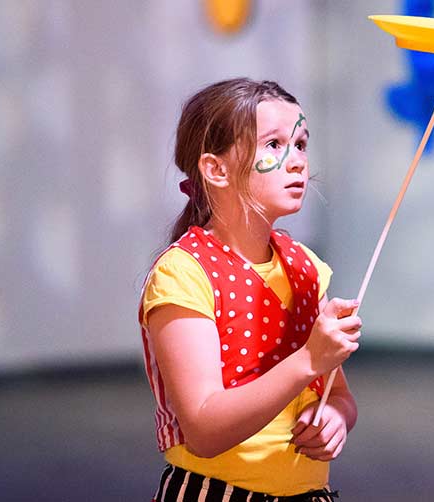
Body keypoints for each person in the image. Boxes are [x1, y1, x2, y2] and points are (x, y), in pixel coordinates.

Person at [139, 78, 361, 501]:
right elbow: (203, 429)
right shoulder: (184, 274)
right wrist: (310, 359)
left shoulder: (305, 268)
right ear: (216, 169)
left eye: (300, 144)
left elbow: (340, 395)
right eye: (274, 146)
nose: (296, 162)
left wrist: (336, 414)